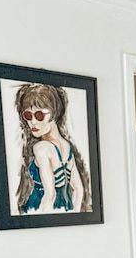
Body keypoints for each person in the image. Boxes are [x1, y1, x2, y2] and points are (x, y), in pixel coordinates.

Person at [15, 83, 91, 214]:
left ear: (54, 114)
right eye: (28, 115)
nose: (32, 122)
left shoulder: (41, 148)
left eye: (39, 115)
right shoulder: (67, 146)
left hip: (39, 209)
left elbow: (50, 195)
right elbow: (78, 190)